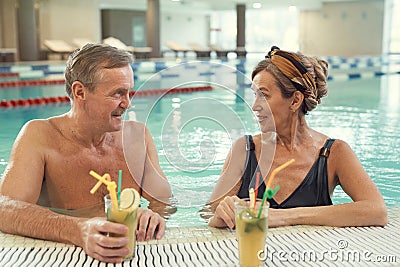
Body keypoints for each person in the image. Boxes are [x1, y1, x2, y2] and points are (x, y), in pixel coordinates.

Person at [0, 43, 173, 263]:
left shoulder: (137, 137)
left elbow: (165, 201)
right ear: (80, 92)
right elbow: (5, 209)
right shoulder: (40, 137)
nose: (128, 103)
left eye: (129, 91)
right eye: (117, 93)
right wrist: (77, 229)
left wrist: (155, 216)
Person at [207, 46, 387, 229]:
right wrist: (222, 212)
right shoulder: (244, 150)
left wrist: (282, 217)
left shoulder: (333, 153)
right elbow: (209, 213)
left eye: (264, 96)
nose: (255, 106)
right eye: (255, 95)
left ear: (295, 100)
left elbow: (377, 211)